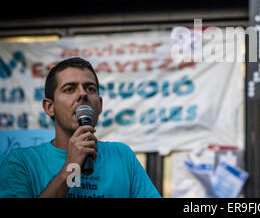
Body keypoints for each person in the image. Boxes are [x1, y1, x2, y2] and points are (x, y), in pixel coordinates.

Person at [0, 57, 161, 198]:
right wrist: (71, 167)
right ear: (49, 107)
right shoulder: (22, 162)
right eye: (69, 89)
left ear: (99, 105)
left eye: (90, 89)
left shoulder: (122, 156)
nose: (83, 94)